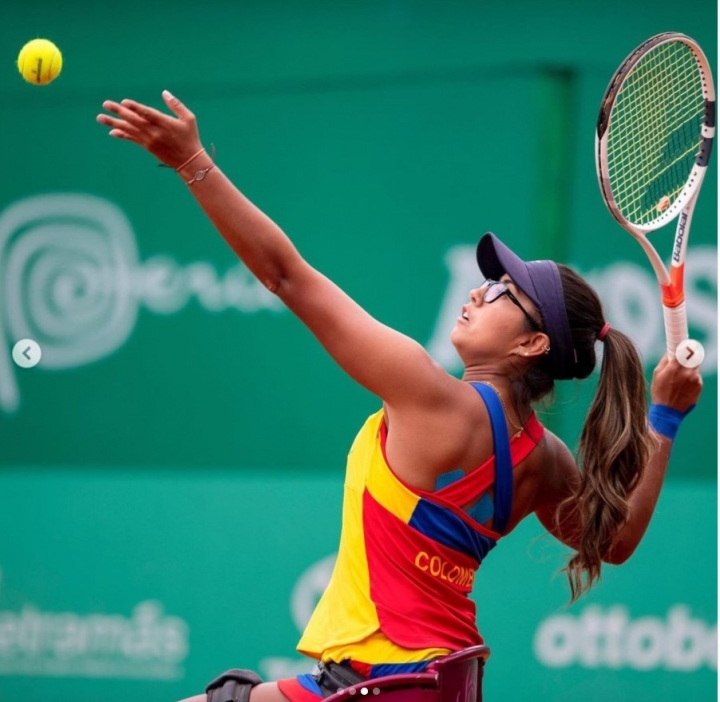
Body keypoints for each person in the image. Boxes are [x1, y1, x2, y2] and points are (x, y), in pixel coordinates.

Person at [97, 91, 702, 702]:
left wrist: (193, 162)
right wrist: (665, 417)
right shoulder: (543, 460)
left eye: (501, 293)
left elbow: (285, 275)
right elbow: (616, 541)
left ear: (531, 344)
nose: (478, 292)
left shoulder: (425, 392)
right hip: (435, 683)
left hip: (390, 682)